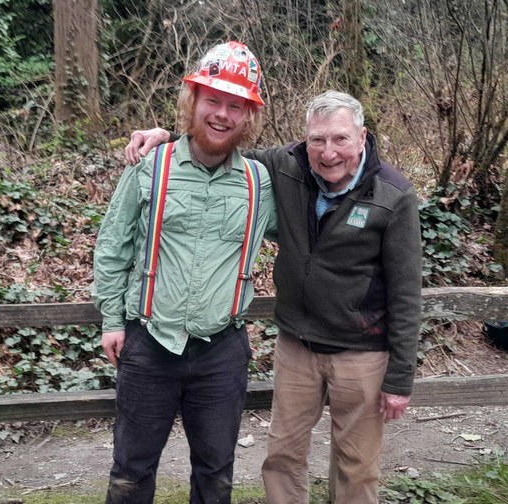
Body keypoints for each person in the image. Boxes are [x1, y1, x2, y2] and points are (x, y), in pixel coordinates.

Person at [126, 90, 422, 504]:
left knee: (357, 465)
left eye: (339, 139)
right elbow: (218, 142)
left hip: (361, 352)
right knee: (282, 456)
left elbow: (407, 291)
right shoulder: (285, 166)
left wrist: (399, 378)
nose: (328, 151)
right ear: (304, 140)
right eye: (317, 140)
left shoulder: (393, 195)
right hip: (297, 345)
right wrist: (168, 136)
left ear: (362, 137)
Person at [93, 40, 277, 504]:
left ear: (249, 116)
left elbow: (323, 169)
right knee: (130, 473)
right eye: (213, 100)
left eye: (236, 106)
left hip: (222, 351)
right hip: (150, 344)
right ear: (191, 101)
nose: (222, 114)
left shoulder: (261, 182)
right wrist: (113, 321)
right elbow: (114, 246)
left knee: (215, 475)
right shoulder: (149, 166)